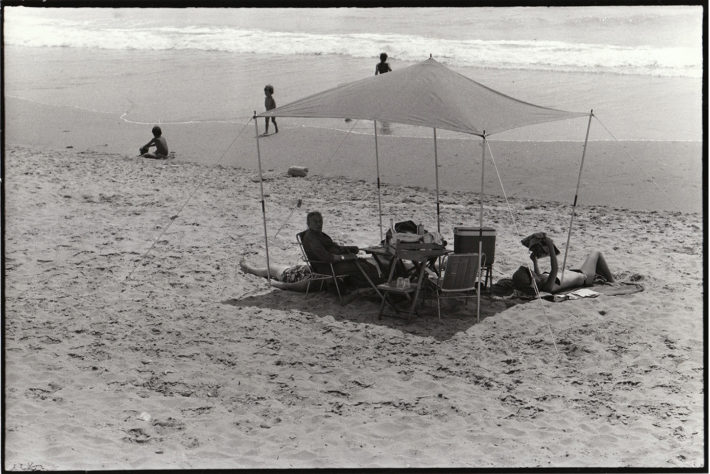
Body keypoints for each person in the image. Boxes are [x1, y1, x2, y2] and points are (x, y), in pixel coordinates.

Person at [300, 211, 382, 290]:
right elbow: (327, 257)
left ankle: (371, 285)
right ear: (308, 223)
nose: (319, 224)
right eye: (315, 222)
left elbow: (334, 248)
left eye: (320, 221)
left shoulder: (320, 234)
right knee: (363, 266)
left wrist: (349, 249)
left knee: (366, 263)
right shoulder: (311, 238)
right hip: (327, 267)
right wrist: (346, 257)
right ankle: (374, 287)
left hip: (334, 263)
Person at [512, 233, 615, 294]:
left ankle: (603, 275)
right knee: (596, 253)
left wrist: (535, 261)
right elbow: (554, 269)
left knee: (590, 260)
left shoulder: (541, 281)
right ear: (533, 280)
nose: (530, 270)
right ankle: (613, 281)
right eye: (530, 272)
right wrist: (550, 246)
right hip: (585, 277)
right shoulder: (548, 287)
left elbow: (538, 275)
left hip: (575, 272)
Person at [239, 259, 313, 292]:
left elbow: (304, 285)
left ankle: (250, 270)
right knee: (282, 267)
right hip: (306, 272)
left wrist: (279, 284)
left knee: (271, 268)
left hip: (296, 277)